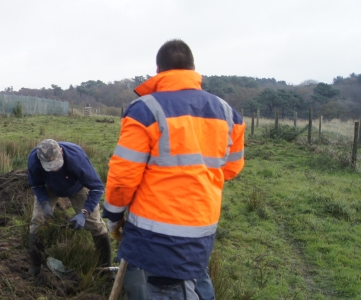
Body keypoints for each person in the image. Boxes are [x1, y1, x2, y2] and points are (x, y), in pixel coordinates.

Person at [103, 39, 245, 299]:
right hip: (202, 227)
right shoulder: (228, 113)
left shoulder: (145, 110)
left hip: (156, 233)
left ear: (159, 72)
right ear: (193, 69)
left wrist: (113, 217)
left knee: (165, 288)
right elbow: (232, 168)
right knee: (195, 278)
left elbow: (123, 177)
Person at [26, 139, 111, 276]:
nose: (55, 169)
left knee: (95, 224)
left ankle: (105, 268)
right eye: (50, 166)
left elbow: (97, 187)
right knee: (37, 220)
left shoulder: (76, 158)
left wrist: (84, 213)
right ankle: (35, 265)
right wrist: (45, 204)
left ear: (61, 152)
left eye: (56, 165)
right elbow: (36, 185)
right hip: (50, 187)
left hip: (77, 186)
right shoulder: (34, 160)